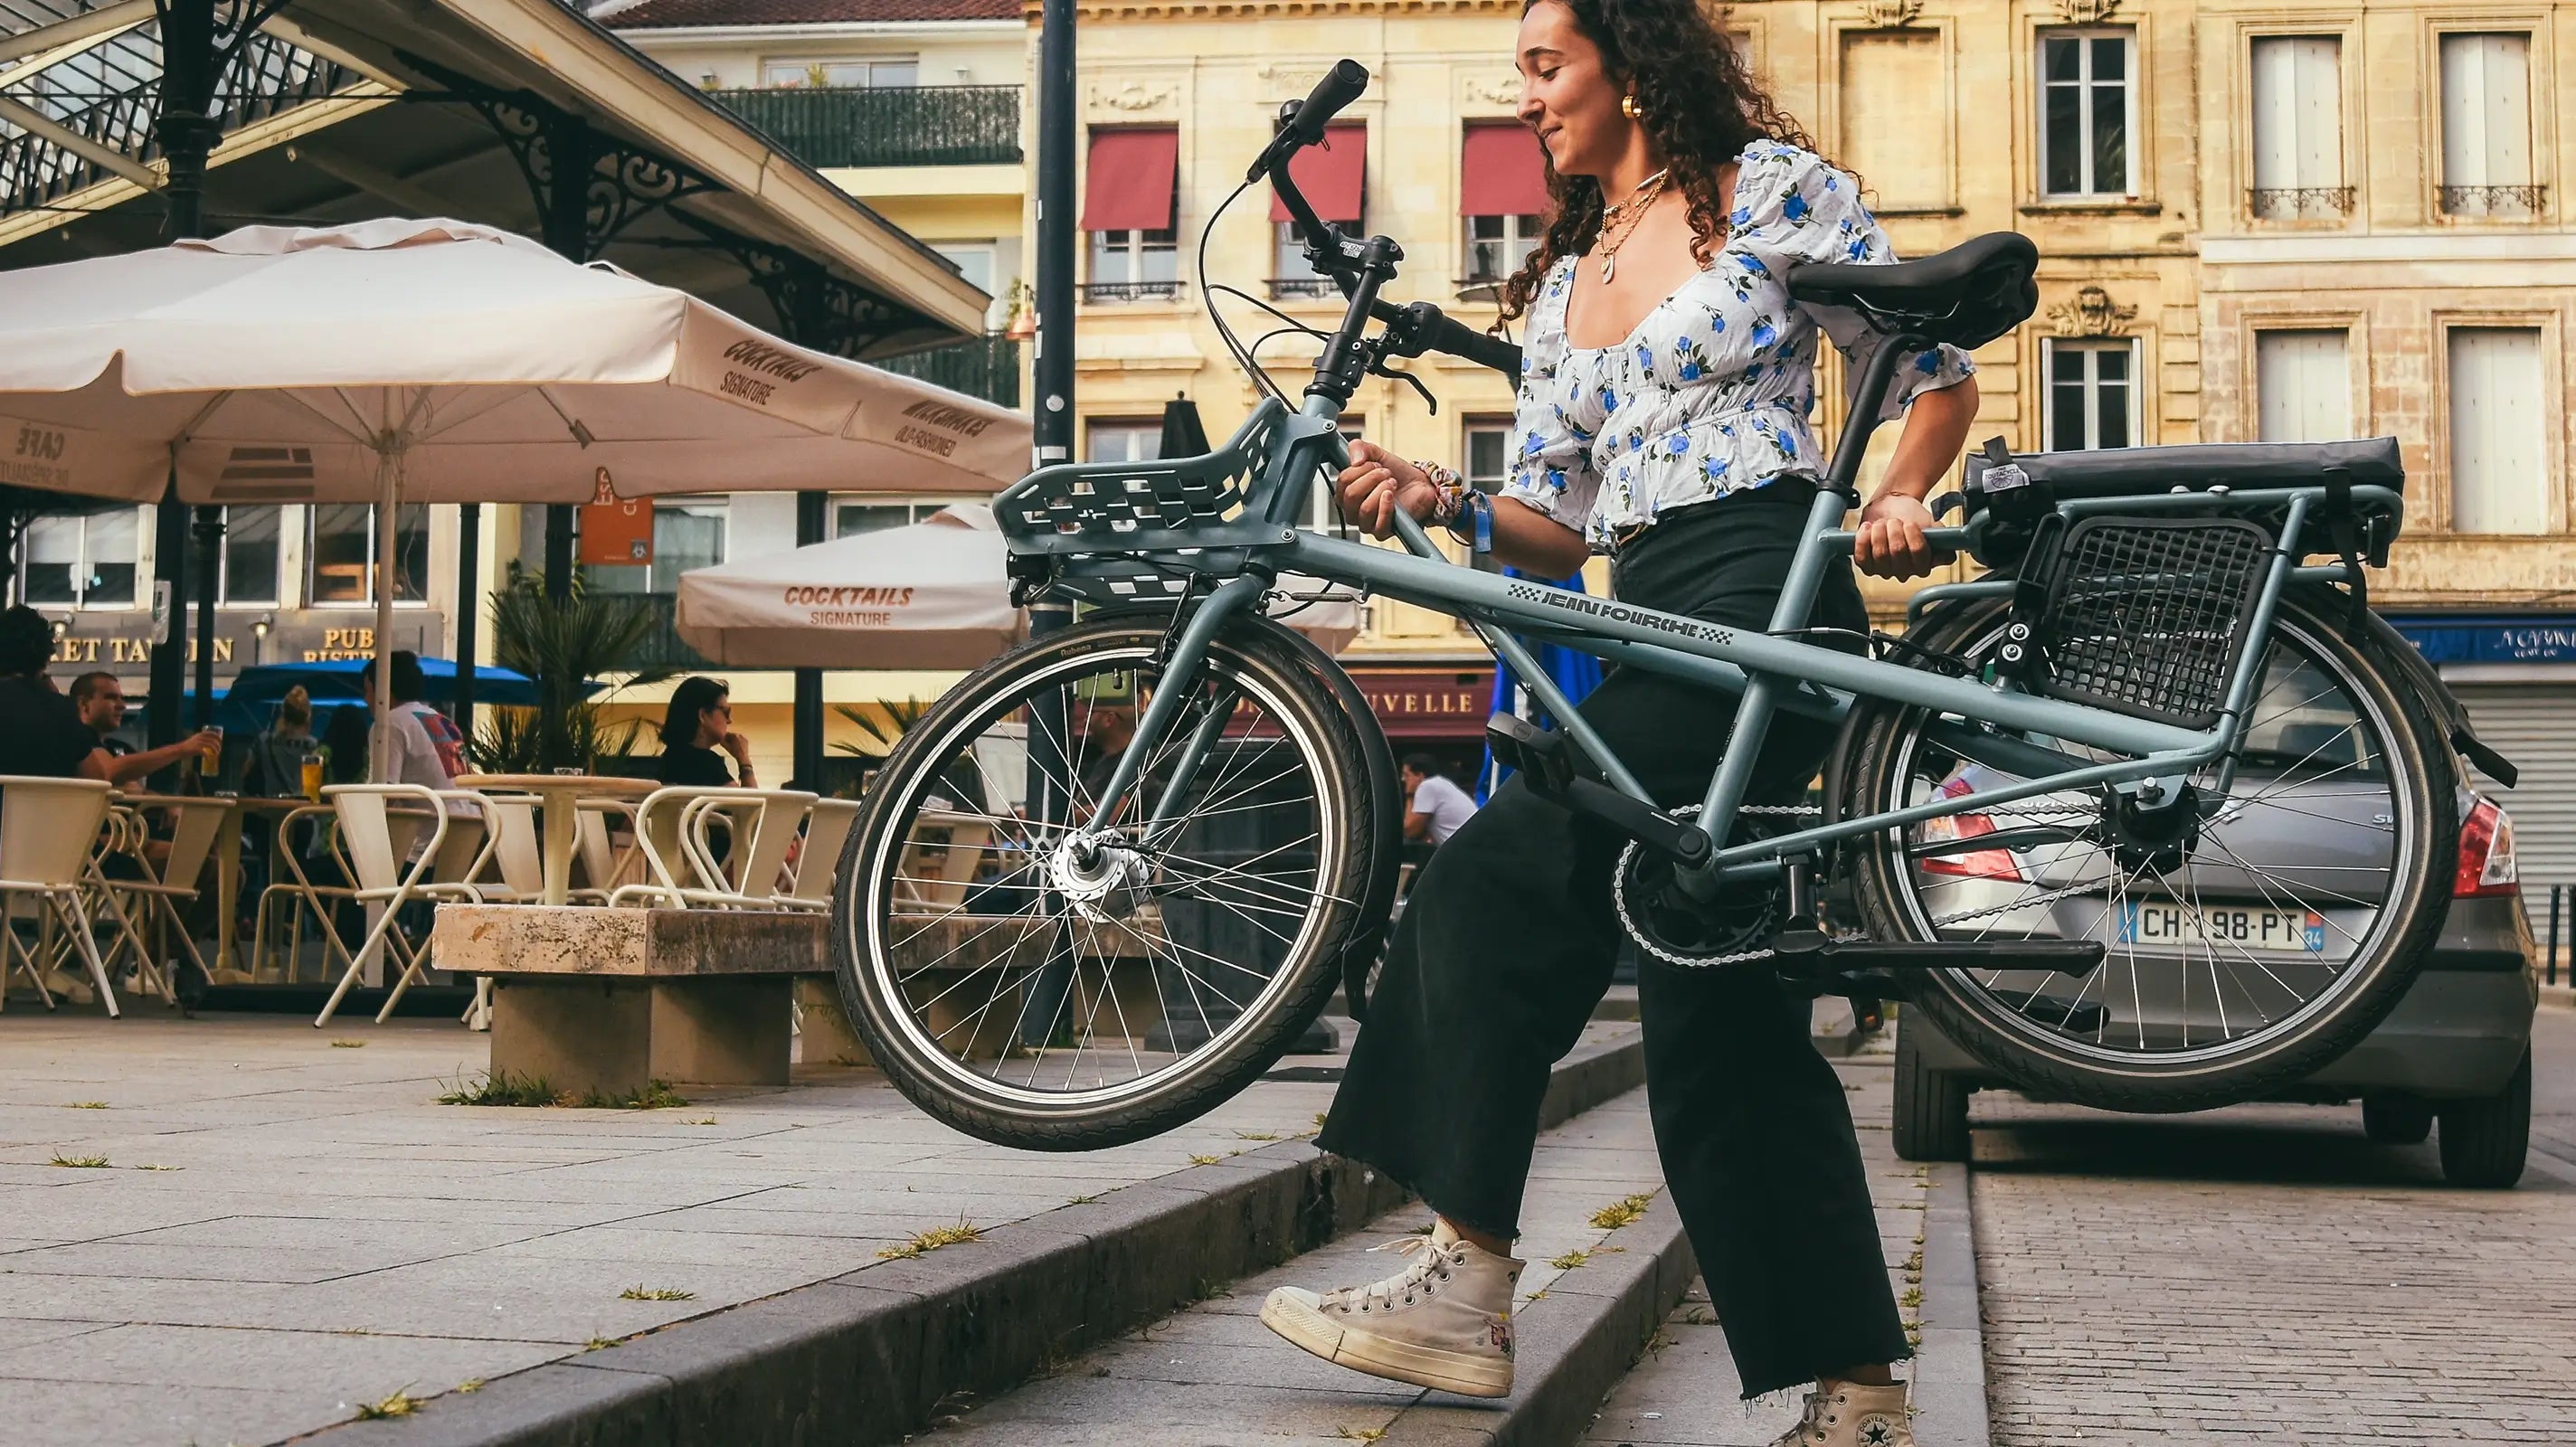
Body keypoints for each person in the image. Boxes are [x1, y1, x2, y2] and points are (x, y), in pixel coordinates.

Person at [1259, 5, 1975, 1443]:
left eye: (1544, 67)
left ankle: (1467, 1274)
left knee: (1491, 881)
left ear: (1631, 69)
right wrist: (1438, 493)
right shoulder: (1563, 282)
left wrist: (1894, 495)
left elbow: (1933, 378)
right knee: (1718, 1014)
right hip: (1649, 612)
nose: (1524, 100)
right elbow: (1556, 526)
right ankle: (1859, 1394)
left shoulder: (1773, 191)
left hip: (1772, 602)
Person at [67, 670, 223, 788]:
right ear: (83, 704)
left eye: (122, 698)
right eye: (111, 698)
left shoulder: (118, 747)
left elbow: (135, 790)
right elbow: (109, 772)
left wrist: (166, 804)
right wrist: (182, 749)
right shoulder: (76, 736)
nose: (122, 706)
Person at [363, 652, 465, 790]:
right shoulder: (445, 722)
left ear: (383, 691)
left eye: (367, 691)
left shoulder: (388, 724)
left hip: (430, 811)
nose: (366, 699)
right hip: (472, 810)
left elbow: (383, 792)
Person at [654, 676, 757, 787]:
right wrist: (744, 760)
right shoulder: (706, 763)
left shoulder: (669, 759)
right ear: (703, 715)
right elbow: (751, 802)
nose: (729, 720)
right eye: (726, 712)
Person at [1401, 753, 1478, 847]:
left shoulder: (1427, 786)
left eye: (1406, 775)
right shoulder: (1441, 784)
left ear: (1419, 775)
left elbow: (1410, 831)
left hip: (1462, 850)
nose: (1403, 780)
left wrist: (1409, 795)